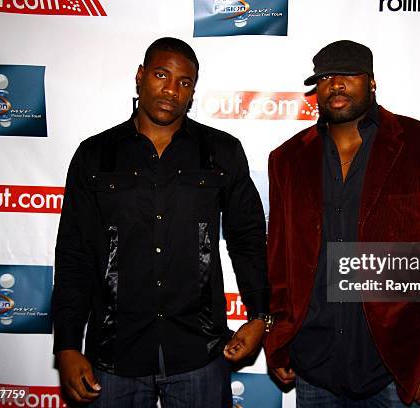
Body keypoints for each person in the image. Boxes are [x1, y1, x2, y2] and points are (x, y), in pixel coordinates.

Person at [52, 37, 271, 408]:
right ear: (140, 77)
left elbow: (247, 238)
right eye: (161, 75)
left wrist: (260, 315)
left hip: (199, 352)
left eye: (184, 82)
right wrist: (68, 345)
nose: (171, 89)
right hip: (114, 355)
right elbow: (75, 254)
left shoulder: (222, 151)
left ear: (193, 91)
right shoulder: (95, 155)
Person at [264, 40, 420, 407]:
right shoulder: (287, 159)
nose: (336, 84)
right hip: (316, 367)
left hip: (398, 368)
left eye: (349, 74)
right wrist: (279, 339)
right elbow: (281, 263)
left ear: (372, 82)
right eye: (326, 77)